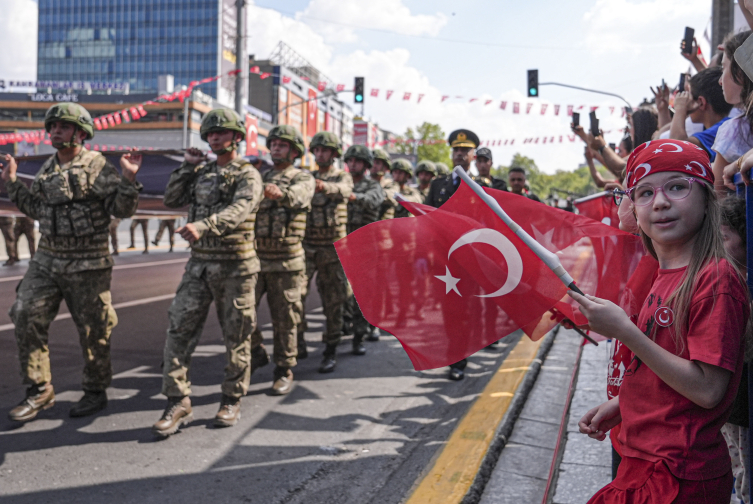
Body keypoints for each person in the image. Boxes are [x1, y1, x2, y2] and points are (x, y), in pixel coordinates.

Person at [571, 139, 749, 503]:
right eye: (645, 192)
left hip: (676, 475)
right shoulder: (665, 272)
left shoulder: (715, 278)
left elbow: (707, 390)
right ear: (633, 208)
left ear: (706, 199)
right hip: (646, 464)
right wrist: (624, 403)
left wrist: (625, 331)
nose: (661, 201)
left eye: (677, 187)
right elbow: (667, 365)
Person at [1, 103, 142, 422]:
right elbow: (37, 209)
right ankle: (40, 390)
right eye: (52, 127)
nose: (54, 132)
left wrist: (128, 180)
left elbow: (121, 209)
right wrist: (11, 182)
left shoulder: (97, 166)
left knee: (94, 329)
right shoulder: (48, 168)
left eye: (62, 127)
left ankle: (95, 390)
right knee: (24, 312)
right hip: (48, 258)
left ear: (80, 133)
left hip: (88, 261)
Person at [153, 109, 263, 437]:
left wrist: (204, 225)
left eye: (222, 133)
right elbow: (172, 199)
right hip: (199, 266)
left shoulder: (248, 174)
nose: (215, 137)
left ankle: (231, 398)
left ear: (236, 137)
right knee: (179, 328)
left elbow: (239, 210)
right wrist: (187, 166)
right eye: (210, 133)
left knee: (237, 335)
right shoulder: (202, 172)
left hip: (236, 267)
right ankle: (177, 399)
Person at [249, 125, 314, 395]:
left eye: (283, 144)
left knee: (285, 318)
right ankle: (255, 350)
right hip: (256, 258)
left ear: (294, 150)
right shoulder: (258, 176)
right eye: (274, 143)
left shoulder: (302, 178)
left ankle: (283, 368)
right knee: (242, 314)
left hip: (288, 260)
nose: (276, 147)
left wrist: (282, 193)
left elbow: (301, 197)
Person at [424, 129, 491, 380]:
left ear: (473, 155)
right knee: (448, 310)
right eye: (456, 150)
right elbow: (427, 218)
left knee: (466, 311)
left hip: (469, 259)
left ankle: (460, 360)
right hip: (444, 259)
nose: (460, 154)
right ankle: (455, 355)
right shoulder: (438, 184)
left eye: (465, 150)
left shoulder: (482, 187)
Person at [298, 131, 353, 374]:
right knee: (294, 298)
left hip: (333, 249)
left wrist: (323, 186)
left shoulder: (342, 177)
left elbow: (343, 190)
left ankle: (330, 349)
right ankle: (296, 341)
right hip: (306, 246)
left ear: (334, 154)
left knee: (334, 301)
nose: (320, 154)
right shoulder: (305, 177)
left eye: (325, 150)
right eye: (317, 150)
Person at [719, 196, 750, 504]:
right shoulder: (724, 279)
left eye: (725, 238)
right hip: (733, 406)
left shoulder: (741, 285)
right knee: (739, 473)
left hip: (742, 405)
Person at [343, 145, 384, 355]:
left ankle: (359, 336)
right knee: (339, 291)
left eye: (357, 161)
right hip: (341, 245)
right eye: (350, 161)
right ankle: (343, 323)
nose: (352, 165)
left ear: (366, 165)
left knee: (361, 293)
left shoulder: (373, 186)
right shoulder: (342, 182)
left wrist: (354, 197)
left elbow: (374, 200)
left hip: (365, 247)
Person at [711, 31, 753, 196]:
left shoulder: (734, 129)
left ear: (740, 74)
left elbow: (719, 195)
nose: (720, 80)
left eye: (723, 68)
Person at [670, 66, 734, 162]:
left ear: (701, 102)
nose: (686, 101)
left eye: (689, 97)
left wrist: (680, 109)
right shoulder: (720, 126)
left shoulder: (724, 127)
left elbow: (677, 148)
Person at [372, 148, 397, 221]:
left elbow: (391, 196)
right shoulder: (363, 182)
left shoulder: (391, 184)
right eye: (372, 162)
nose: (374, 165)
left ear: (385, 167)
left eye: (378, 163)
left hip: (383, 227)